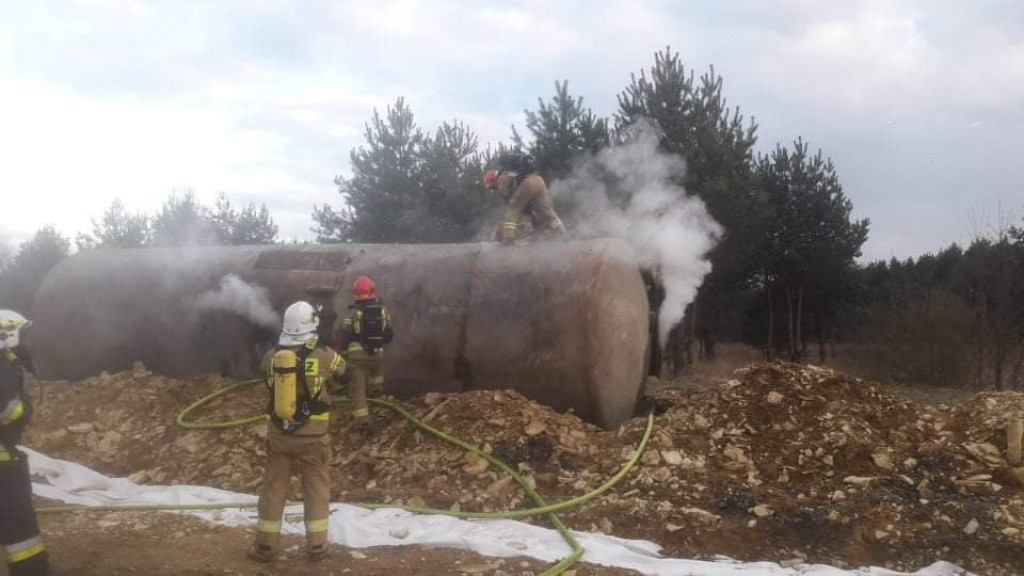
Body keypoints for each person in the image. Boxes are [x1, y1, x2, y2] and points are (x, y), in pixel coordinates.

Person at [250, 301, 346, 563]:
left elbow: (265, 380)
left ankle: (265, 547)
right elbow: (343, 373)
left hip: (280, 436)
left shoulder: (271, 358)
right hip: (314, 438)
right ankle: (317, 547)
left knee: (273, 488)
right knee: (315, 489)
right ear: (311, 324)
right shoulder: (325, 355)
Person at [0, 310, 51, 576]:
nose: (27, 343)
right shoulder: (3, 365)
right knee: (18, 525)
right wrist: (24, 408)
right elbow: (5, 412)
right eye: (23, 335)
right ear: (7, 336)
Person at [337, 276, 393, 428]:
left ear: (355, 293)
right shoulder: (383, 311)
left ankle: (363, 422)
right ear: (372, 292)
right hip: (378, 356)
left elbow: (345, 335)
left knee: (358, 389)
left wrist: (341, 350)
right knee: (377, 383)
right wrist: (377, 345)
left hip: (357, 358)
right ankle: (380, 409)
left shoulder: (353, 313)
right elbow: (389, 334)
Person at [483, 153, 566, 245]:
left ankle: (508, 238)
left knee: (512, 209)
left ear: (492, 180)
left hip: (528, 183)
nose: (494, 190)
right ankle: (561, 231)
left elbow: (507, 196)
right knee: (547, 210)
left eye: (492, 188)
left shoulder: (501, 178)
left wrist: (512, 203)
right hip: (538, 180)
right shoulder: (513, 172)